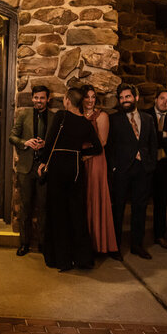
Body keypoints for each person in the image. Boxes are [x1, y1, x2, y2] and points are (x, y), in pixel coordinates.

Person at [37, 88, 102, 271]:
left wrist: (43, 162)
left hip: (58, 166)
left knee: (58, 213)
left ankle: (61, 259)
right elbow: (97, 148)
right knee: (76, 213)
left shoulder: (61, 116)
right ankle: (82, 258)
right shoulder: (85, 123)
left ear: (67, 100)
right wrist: (81, 153)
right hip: (75, 168)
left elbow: (50, 142)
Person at [106, 83, 158, 259]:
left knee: (140, 208)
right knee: (118, 209)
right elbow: (110, 146)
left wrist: (150, 165)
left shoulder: (148, 119)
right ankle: (115, 247)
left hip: (143, 169)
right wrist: (113, 167)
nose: (124, 100)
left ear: (135, 98)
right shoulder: (114, 119)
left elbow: (153, 144)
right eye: (121, 98)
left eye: (127, 97)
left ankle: (137, 244)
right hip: (121, 170)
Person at [9, 85, 51, 256]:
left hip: (44, 168)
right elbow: (12, 136)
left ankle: (43, 244)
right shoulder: (24, 114)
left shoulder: (54, 117)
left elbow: (56, 141)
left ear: (48, 99)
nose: (38, 101)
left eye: (42, 98)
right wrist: (25, 143)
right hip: (26, 168)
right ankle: (24, 244)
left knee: (44, 208)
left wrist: (45, 144)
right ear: (32, 98)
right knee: (25, 208)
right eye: (36, 97)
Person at [79, 85, 119, 259]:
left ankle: (99, 244)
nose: (90, 100)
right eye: (87, 97)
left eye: (93, 97)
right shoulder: (78, 115)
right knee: (82, 199)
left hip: (95, 160)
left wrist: (85, 157)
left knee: (95, 198)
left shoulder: (102, 116)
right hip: (79, 160)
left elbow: (102, 142)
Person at [143, 89, 167, 250]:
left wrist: (159, 137)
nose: (164, 102)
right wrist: (164, 135)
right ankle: (137, 237)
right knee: (141, 201)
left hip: (164, 166)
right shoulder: (144, 115)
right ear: (156, 99)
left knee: (161, 203)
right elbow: (144, 139)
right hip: (145, 165)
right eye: (162, 98)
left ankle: (159, 235)